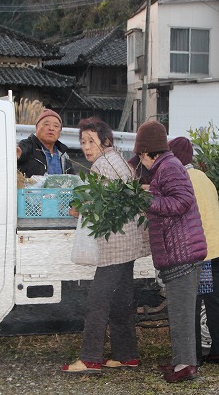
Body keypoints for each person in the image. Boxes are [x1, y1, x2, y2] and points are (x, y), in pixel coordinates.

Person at [61, 117, 145, 374]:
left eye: (91, 141)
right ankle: (126, 355)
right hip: (128, 243)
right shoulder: (116, 159)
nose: (86, 147)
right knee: (121, 301)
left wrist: (81, 207)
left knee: (98, 300)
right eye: (83, 141)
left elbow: (103, 205)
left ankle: (89, 359)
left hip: (115, 245)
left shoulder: (103, 165)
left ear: (105, 141)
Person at [134, 121, 207, 383]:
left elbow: (183, 200)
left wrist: (147, 201)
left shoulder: (169, 166)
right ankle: (180, 361)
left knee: (183, 312)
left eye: (141, 155)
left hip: (183, 251)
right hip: (179, 250)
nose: (141, 161)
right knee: (177, 311)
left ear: (147, 150)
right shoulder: (167, 166)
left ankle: (187, 365)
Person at [168, 137, 219, 367]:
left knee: (192, 302)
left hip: (201, 251)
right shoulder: (204, 178)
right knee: (215, 300)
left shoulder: (182, 179)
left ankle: (193, 355)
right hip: (218, 247)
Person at [17, 108, 74, 177]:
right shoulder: (28, 145)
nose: (51, 128)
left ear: (60, 131)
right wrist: (17, 153)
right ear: (37, 127)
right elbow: (19, 151)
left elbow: (72, 179)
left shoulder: (63, 155)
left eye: (56, 126)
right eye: (46, 124)